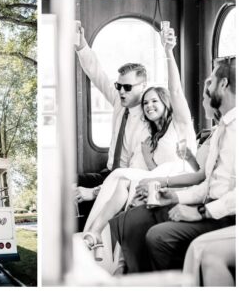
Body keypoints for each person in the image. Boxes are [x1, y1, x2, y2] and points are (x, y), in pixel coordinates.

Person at [80, 25, 197, 257]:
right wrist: (81, 46)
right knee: (114, 178)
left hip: (173, 177)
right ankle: (96, 238)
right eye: (146, 104)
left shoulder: (179, 123)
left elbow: (176, 91)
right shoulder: (152, 136)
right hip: (154, 176)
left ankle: (94, 234)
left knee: (121, 178)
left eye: (154, 102)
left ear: (165, 102)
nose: (149, 106)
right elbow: (151, 169)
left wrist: (168, 51)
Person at [118, 56, 235, 273]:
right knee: (134, 217)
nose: (206, 88)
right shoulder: (222, 129)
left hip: (226, 215)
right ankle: (131, 274)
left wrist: (201, 211)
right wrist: (173, 196)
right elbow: (208, 182)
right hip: (202, 198)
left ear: (224, 84)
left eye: (211, 81)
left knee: (157, 235)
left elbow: (176, 92)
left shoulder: (230, 129)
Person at [73, 23, 149, 209]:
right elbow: (97, 74)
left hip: (123, 183)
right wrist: (81, 46)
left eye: (128, 87)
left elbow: (131, 176)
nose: (122, 91)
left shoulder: (148, 122)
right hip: (107, 173)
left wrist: (93, 192)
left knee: (81, 199)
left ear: (143, 86)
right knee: (66, 182)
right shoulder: (119, 101)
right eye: (119, 86)